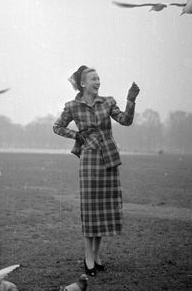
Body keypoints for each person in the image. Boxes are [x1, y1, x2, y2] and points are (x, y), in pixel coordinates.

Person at [53, 65, 140, 276]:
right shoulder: (73, 106)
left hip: (108, 158)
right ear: (83, 83)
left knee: (102, 209)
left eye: (99, 78)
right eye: (93, 79)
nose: (97, 81)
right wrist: (76, 136)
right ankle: (88, 257)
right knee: (90, 209)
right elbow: (57, 127)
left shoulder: (108, 101)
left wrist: (131, 100)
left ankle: (97, 255)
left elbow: (126, 121)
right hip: (89, 159)